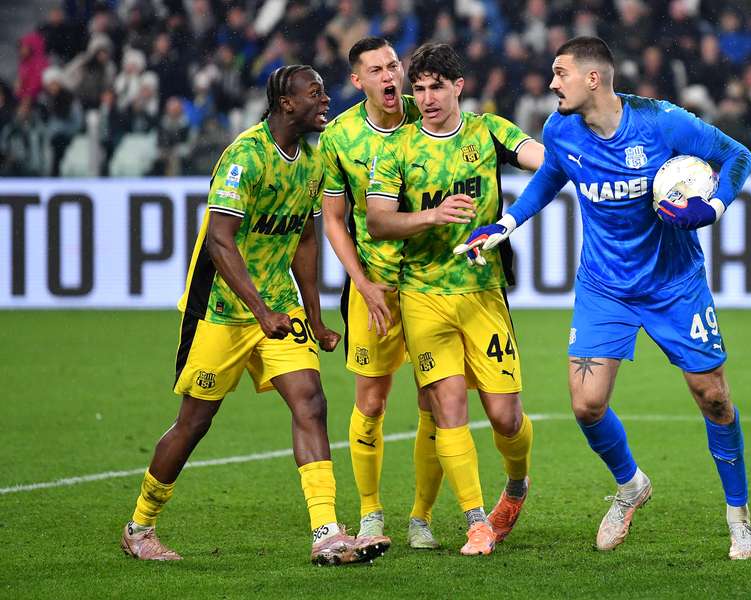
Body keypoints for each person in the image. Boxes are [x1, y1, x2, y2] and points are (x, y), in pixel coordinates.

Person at [458, 36, 751, 560]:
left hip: (674, 283)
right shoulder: (561, 129)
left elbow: (738, 155)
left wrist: (710, 209)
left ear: (592, 79)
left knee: (713, 397)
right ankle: (630, 486)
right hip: (605, 286)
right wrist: (506, 223)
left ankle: (740, 521)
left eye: (560, 73)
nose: (551, 83)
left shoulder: (661, 122)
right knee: (586, 404)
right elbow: (552, 174)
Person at [120, 65, 388, 566]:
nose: (326, 99)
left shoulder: (309, 162)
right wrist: (258, 310)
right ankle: (140, 525)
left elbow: (305, 240)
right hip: (221, 310)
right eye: (316, 93)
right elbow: (220, 241)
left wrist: (315, 315)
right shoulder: (246, 155)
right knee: (194, 423)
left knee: (310, 400)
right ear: (287, 103)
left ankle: (327, 532)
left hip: (278, 308)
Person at [366, 43, 544, 556]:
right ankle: (476, 522)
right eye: (417, 88)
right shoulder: (397, 149)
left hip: (483, 293)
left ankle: (515, 484)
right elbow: (378, 220)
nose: (425, 98)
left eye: (435, 87)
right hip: (423, 296)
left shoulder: (489, 131)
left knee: (506, 417)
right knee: (448, 410)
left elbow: (545, 161)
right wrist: (431, 216)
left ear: (457, 87)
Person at [319, 37, 444, 549]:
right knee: (370, 402)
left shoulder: (428, 114)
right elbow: (332, 219)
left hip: (432, 283)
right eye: (378, 69)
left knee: (435, 401)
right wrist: (363, 282)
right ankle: (370, 513)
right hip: (373, 284)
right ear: (359, 81)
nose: (390, 76)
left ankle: (421, 517)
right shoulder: (340, 136)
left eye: (394, 64)